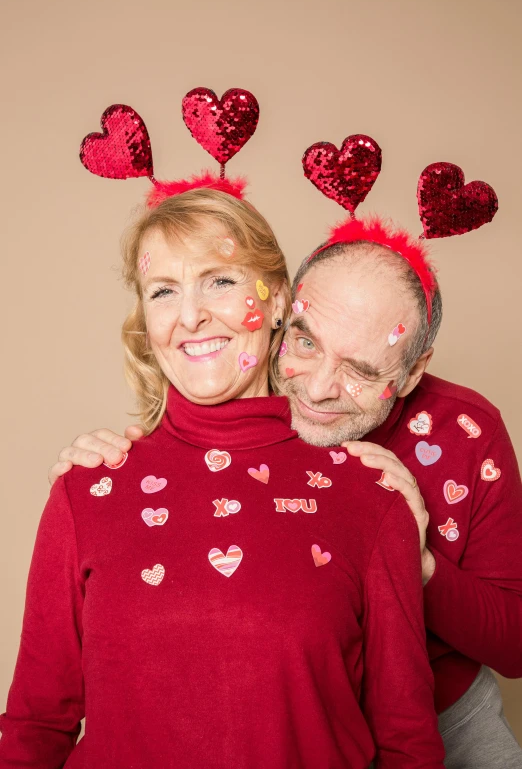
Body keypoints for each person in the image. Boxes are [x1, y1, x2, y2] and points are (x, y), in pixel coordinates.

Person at [53, 216, 522, 768]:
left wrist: (415, 559)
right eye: (305, 342)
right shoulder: (237, 383)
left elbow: (513, 642)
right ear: (283, 313)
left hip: (444, 712)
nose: (320, 389)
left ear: (414, 372)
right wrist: (93, 475)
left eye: (362, 371)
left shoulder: (464, 431)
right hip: (296, 716)